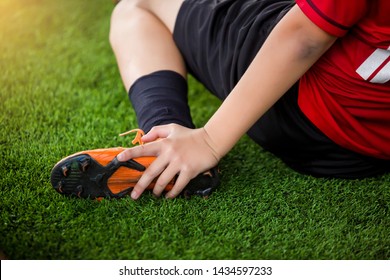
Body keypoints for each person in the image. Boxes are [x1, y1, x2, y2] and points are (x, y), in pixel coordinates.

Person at [51, 0, 390, 200]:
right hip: (365, 152)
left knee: (136, 5)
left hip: (301, 109)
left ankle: (164, 141)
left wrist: (210, 141)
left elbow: (303, 39)